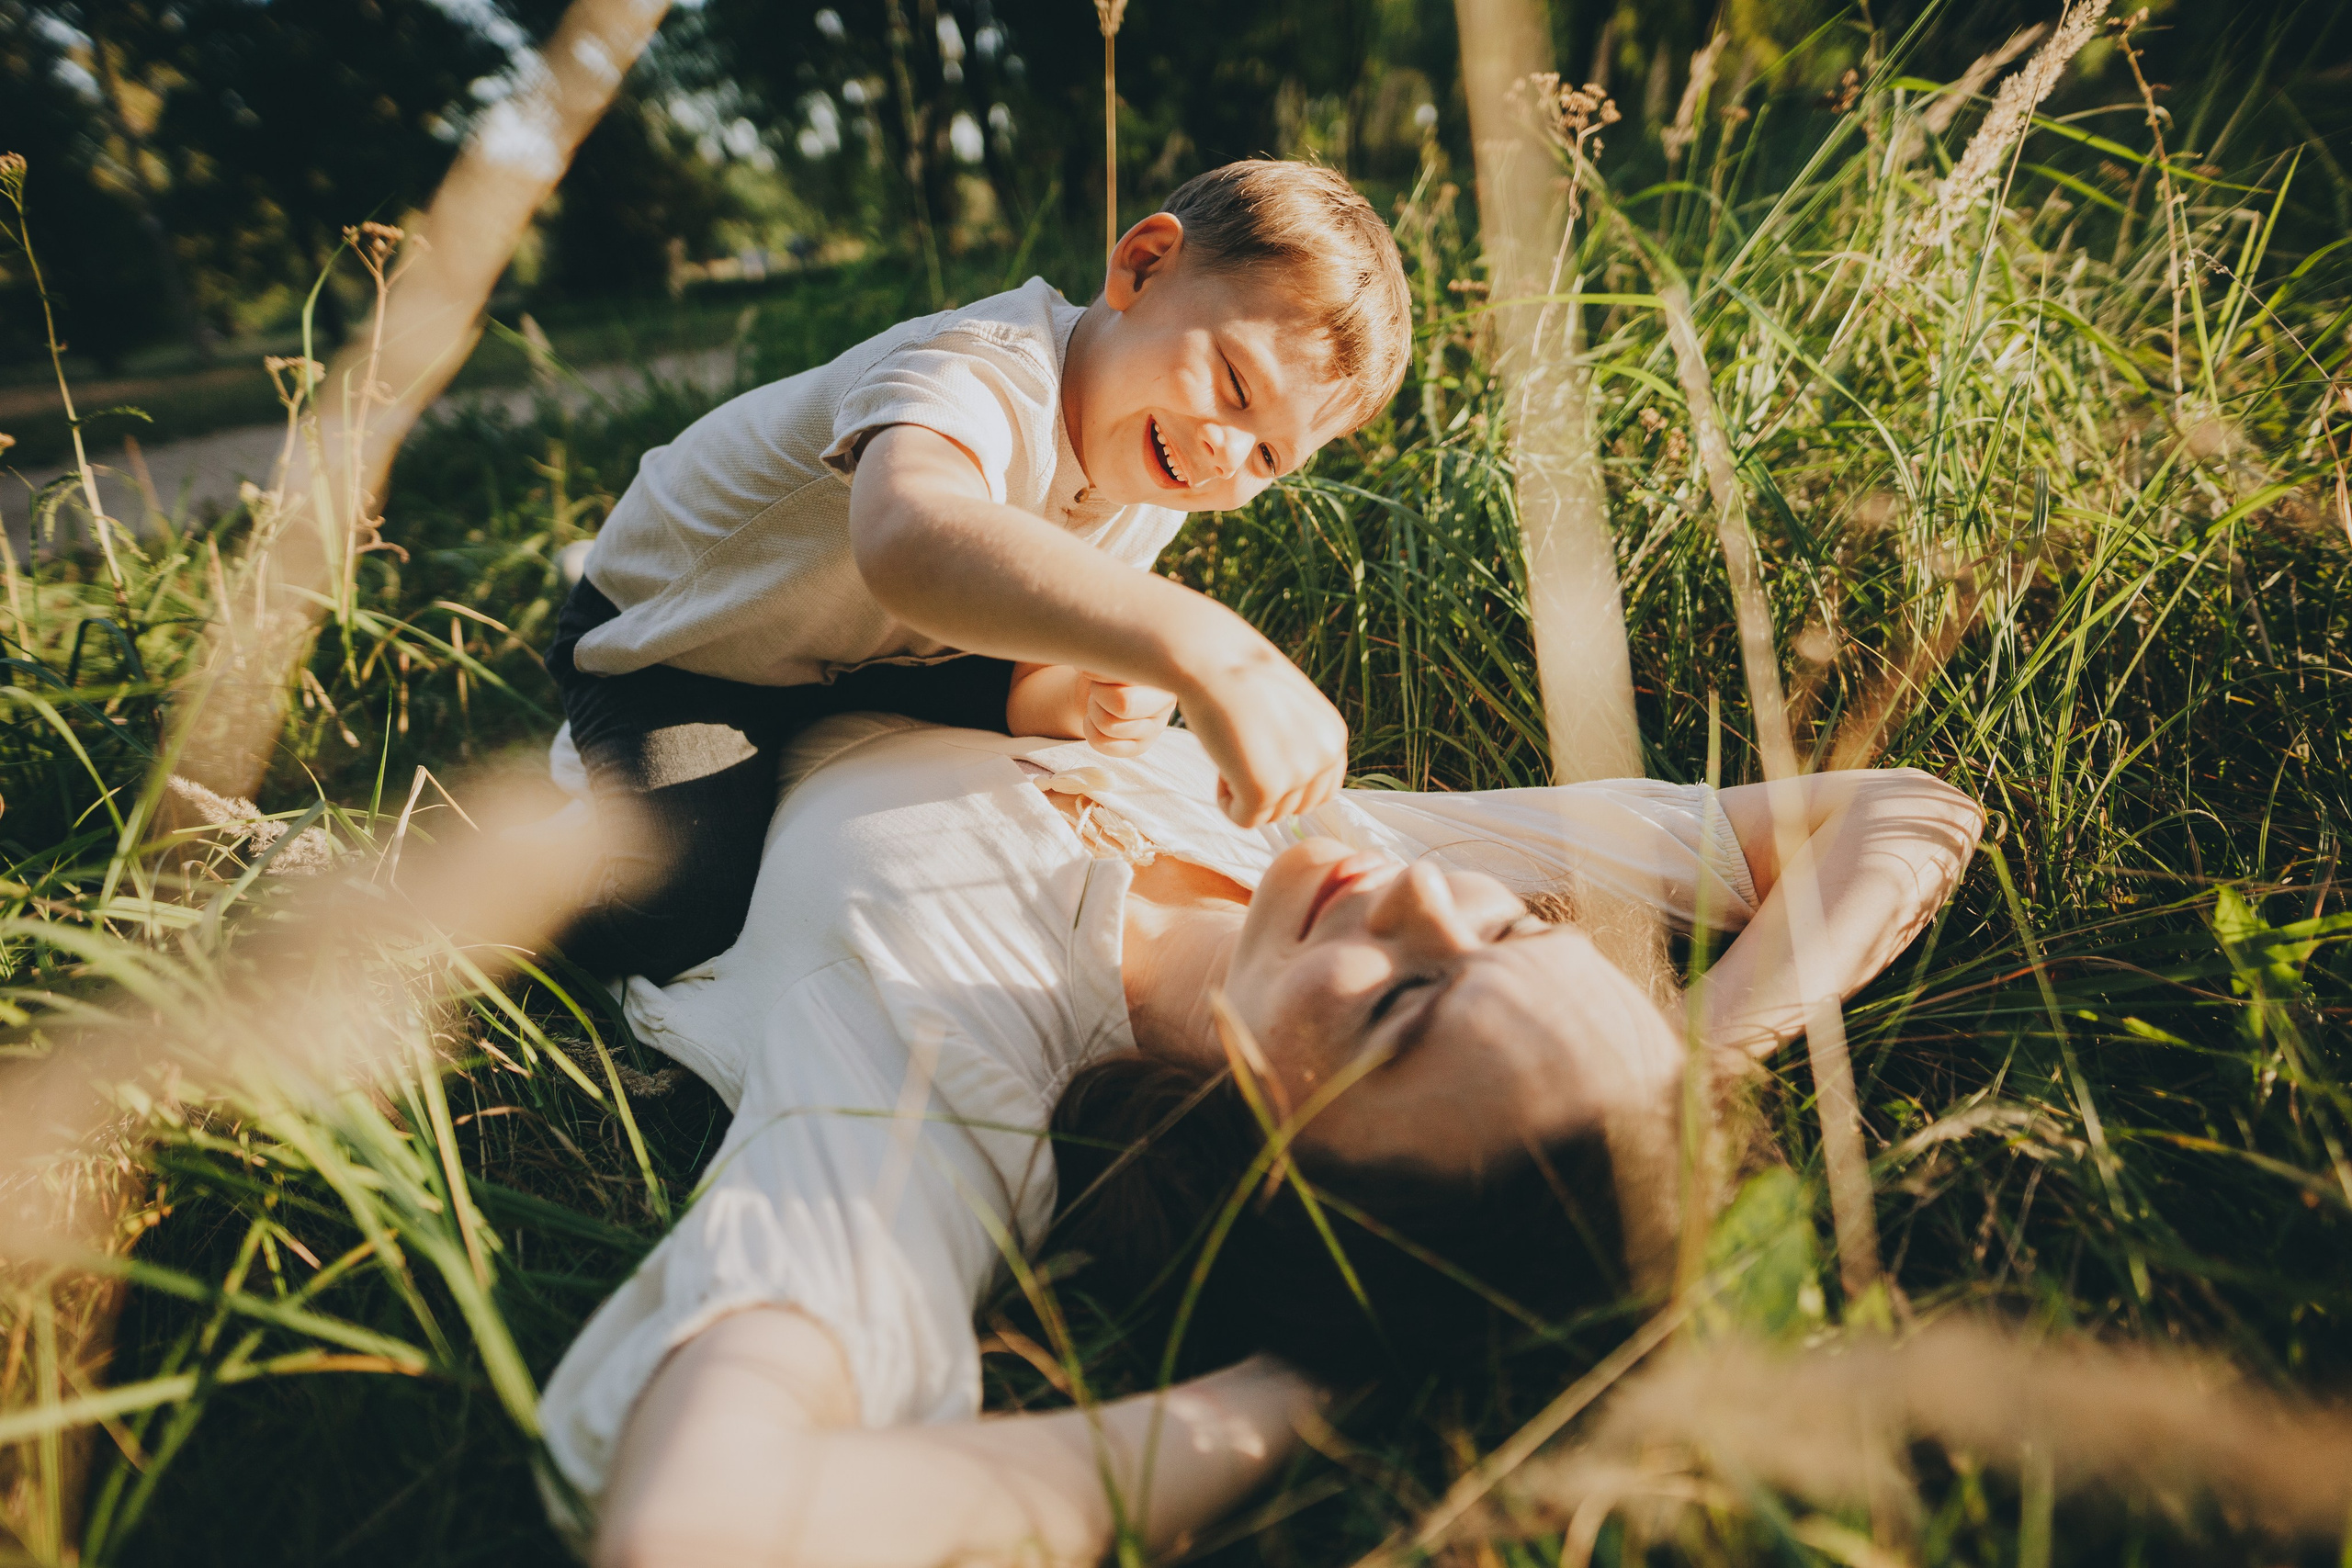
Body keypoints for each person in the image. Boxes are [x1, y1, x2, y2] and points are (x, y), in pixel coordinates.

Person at [537, 713, 1984, 1568]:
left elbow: (705, 1524)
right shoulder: (1366, 847)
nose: (1425, 902)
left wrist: (1300, 1383)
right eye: (1510, 928)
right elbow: (1903, 808)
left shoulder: (933, 1059)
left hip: (649, 736)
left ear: (1277, 1169)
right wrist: (1686, 1069)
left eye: (1406, 1010)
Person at [545, 160, 1412, 982]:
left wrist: (1086, 692)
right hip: (685, 644)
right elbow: (910, 537)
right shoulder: (985, 369)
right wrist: (1198, 641)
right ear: (1142, 266)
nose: (1224, 452)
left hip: (870, 650)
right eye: (1231, 380)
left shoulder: (1155, 470)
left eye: (1268, 454)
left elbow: (1020, 671)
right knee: (683, 908)